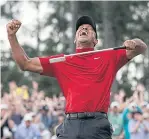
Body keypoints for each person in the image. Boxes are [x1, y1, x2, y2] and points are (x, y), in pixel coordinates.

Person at [6, 15, 147, 139]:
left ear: (96, 40)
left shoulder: (109, 56)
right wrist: (12, 37)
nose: (83, 29)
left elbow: (142, 48)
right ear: (75, 38)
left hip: (96, 126)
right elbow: (25, 63)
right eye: (80, 28)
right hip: (70, 126)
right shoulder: (62, 61)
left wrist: (134, 43)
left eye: (88, 28)